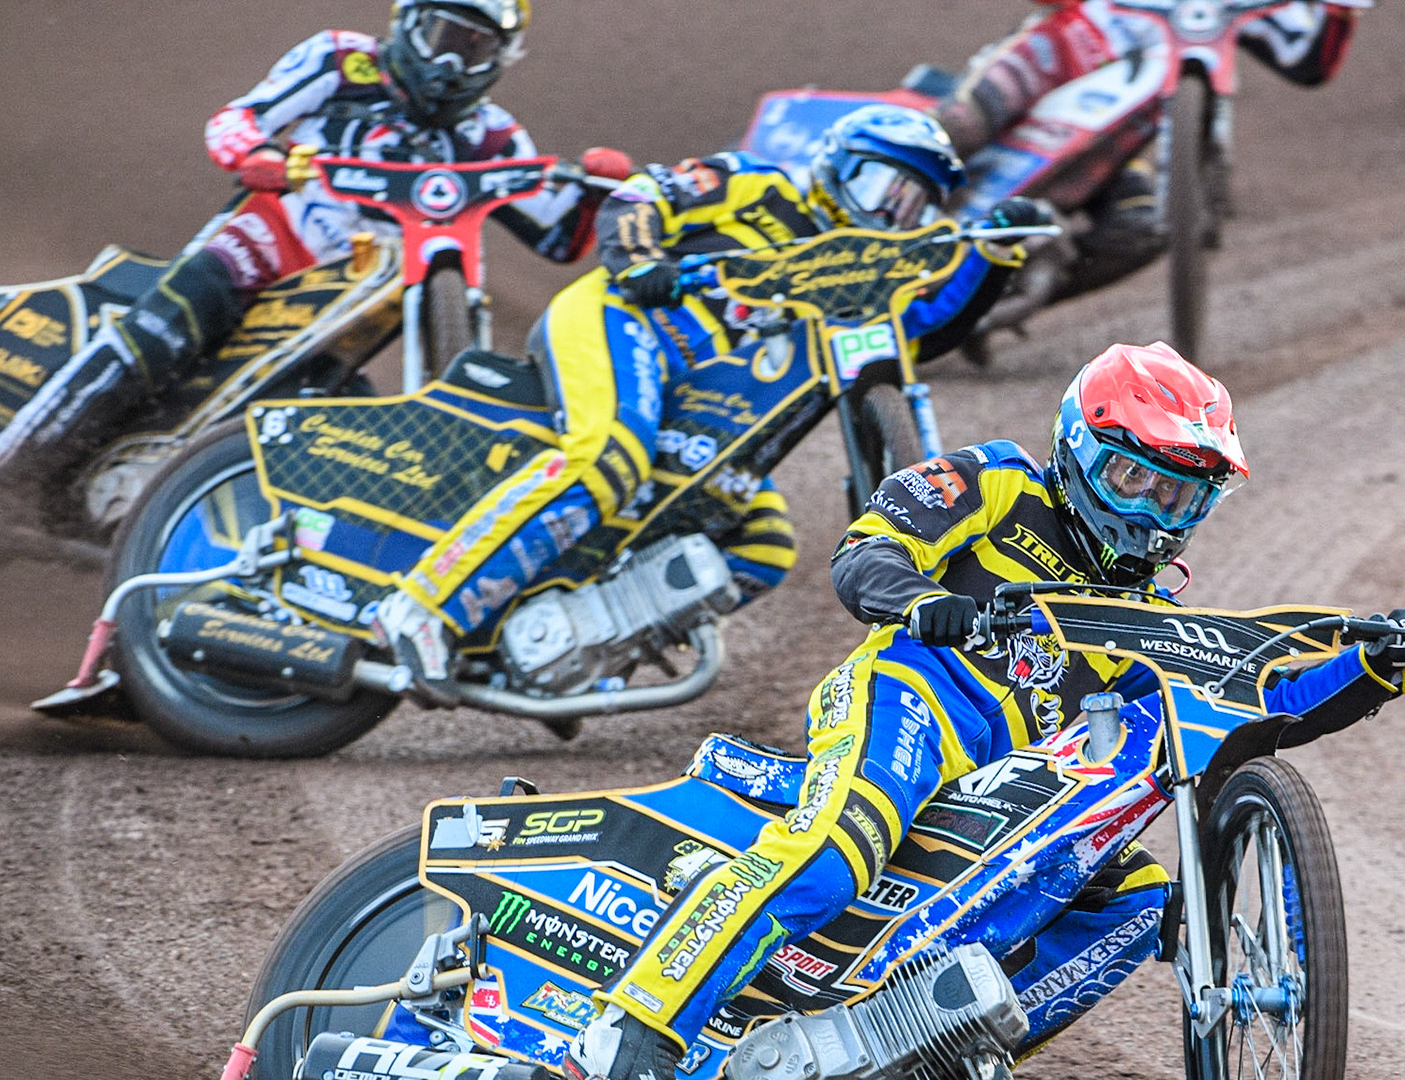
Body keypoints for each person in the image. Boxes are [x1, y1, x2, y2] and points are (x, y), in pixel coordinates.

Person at [565, 340, 1405, 1080]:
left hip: (1008, 791)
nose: (1150, 513)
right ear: (1076, 447)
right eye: (1132, 480)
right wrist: (920, 600)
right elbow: (863, 552)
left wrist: (1372, 666)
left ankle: (932, 1069)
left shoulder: (1154, 621)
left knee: (1137, 899)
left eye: (1177, 496)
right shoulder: (995, 479)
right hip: (910, 700)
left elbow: (1258, 711)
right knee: (837, 853)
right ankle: (633, 1035)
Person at [373, 103, 1046, 702]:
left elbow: (927, 324)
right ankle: (422, 608)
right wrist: (637, 258)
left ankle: (573, 650)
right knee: (609, 457)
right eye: (882, 185)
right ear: (837, 164)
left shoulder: (867, 281)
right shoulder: (761, 184)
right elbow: (645, 191)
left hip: (700, 409)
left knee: (764, 544)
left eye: (912, 203)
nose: (891, 212)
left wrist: (995, 255)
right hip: (623, 320)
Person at [0, 1, 620, 498]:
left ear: (502, 58)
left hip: (367, 297)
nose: (452, 62)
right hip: (273, 239)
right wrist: (255, 156)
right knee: (175, 315)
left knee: (353, 426)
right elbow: (238, 118)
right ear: (407, 23)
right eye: (443, 38)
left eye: (475, 48)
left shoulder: (492, 135)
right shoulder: (342, 61)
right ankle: (11, 468)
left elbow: (561, 236)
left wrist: (602, 191)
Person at [936, 0, 1364, 306]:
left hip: (1116, 139)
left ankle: (986, 304)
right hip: (1053, 61)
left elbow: (1306, 61)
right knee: (960, 124)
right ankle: (877, 217)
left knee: (1140, 229)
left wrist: (1339, 12)